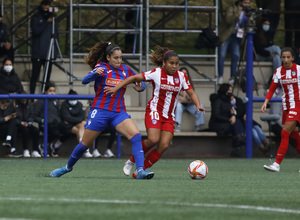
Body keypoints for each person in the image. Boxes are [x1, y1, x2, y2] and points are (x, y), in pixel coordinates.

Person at [50, 42, 154, 179]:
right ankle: (67, 168)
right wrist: (93, 74)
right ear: (108, 57)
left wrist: (141, 88)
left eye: (120, 57)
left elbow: (140, 84)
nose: (119, 60)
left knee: (136, 136)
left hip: (118, 112)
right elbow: (84, 81)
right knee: (84, 145)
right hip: (100, 111)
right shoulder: (102, 67)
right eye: (116, 58)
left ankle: (140, 171)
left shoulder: (126, 70)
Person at [105, 45, 205, 178]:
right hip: (154, 111)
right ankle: (131, 161)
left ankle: (141, 171)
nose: (174, 66)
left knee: (163, 145)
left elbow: (191, 93)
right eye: (171, 63)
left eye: (176, 63)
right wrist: (116, 88)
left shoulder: (181, 76)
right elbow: (134, 78)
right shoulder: (156, 73)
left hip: (169, 116)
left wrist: (198, 105)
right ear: (164, 63)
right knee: (153, 139)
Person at [261, 47, 300, 172]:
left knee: (284, 133)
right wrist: (266, 101)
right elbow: (272, 88)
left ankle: (276, 164)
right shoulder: (278, 71)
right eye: (284, 57)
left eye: (288, 57)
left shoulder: (298, 69)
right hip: (286, 106)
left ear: (293, 58)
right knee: (295, 136)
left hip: (297, 105)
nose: (286, 59)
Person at [218, 0, 251, 85]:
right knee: (222, 54)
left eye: (248, 3)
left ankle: (232, 77)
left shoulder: (246, 12)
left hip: (236, 36)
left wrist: (250, 18)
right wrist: (237, 13)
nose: (246, 5)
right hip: (227, 35)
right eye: (245, 3)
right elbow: (228, 20)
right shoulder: (232, 8)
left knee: (236, 56)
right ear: (240, 2)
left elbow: (247, 24)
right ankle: (220, 76)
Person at [209, 83, 245, 157]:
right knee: (237, 124)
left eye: (231, 90)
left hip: (228, 124)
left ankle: (238, 143)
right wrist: (229, 119)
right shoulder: (217, 100)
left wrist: (233, 115)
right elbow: (216, 115)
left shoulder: (230, 101)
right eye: (229, 90)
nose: (230, 92)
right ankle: (239, 142)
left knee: (237, 123)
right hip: (218, 124)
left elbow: (234, 111)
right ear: (224, 90)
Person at [30, 0, 59, 94]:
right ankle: (32, 96)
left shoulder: (53, 21)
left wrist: (54, 53)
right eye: (44, 8)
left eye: (48, 8)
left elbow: (55, 36)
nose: (46, 10)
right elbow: (36, 31)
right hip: (38, 52)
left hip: (49, 53)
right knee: (35, 76)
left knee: (47, 77)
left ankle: (44, 95)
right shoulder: (36, 17)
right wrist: (46, 22)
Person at [6, 91, 41, 157]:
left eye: (25, 98)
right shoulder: (13, 104)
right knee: (25, 130)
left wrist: (30, 121)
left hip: (27, 123)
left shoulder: (29, 105)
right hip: (17, 125)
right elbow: (9, 117)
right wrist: (20, 122)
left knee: (36, 130)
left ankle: (35, 150)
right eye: (22, 98)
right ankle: (26, 150)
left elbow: (31, 115)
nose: (24, 100)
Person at [60, 89, 92, 158]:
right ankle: (84, 148)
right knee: (80, 126)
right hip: (66, 125)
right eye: (71, 99)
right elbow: (66, 117)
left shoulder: (79, 104)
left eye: (74, 98)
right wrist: (75, 120)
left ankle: (83, 146)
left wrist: (72, 120)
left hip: (77, 124)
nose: (73, 100)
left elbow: (82, 116)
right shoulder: (64, 105)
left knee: (83, 123)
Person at [34, 81, 62, 157]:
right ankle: (43, 146)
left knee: (67, 130)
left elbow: (58, 114)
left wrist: (59, 120)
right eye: (50, 91)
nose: (52, 93)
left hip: (55, 124)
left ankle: (51, 146)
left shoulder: (55, 102)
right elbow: (34, 116)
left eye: (53, 91)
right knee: (55, 132)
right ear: (45, 91)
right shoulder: (40, 101)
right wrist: (42, 120)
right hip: (45, 124)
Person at [174, 67, 205, 132]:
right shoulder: (175, 82)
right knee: (178, 106)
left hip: (189, 104)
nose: (184, 74)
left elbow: (193, 96)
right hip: (180, 104)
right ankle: (178, 125)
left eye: (186, 73)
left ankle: (198, 126)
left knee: (201, 106)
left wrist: (190, 100)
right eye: (182, 73)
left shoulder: (189, 83)